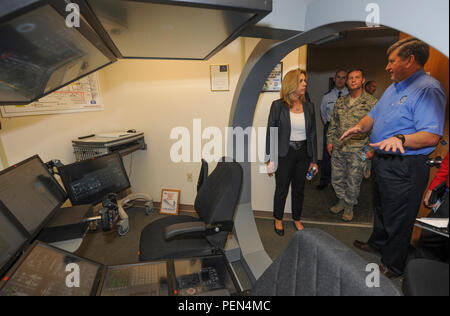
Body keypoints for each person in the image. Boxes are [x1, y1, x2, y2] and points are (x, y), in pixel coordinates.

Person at [340, 37, 446, 278]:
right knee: (381, 209)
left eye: (391, 61)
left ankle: (393, 264)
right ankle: (377, 244)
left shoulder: (428, 88)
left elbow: (431, 136)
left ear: (410, 60)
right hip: (383, 161)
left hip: (405, 165)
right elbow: (372, 116)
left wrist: (400, 139)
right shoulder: (393, 87)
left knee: (399, 217)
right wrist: (359, 126)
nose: (387, 67)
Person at [265, 69, 319, 235]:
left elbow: (312, 134)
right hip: (284, 153)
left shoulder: (309, 106)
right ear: (292, 83)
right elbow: (271, 131)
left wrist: (314, 159)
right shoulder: (278, 106)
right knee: (281, 189)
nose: (305, 84)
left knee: (299, 189)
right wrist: (269, 158)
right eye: (301, 81)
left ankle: (296, 218)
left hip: (304, 153)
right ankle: (278, 219)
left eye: (305, 80)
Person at [327, 69, 377, 222]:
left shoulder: (372, 103)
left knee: (353, 180)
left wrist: (371, 149)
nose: (353, 80)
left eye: (357, 77)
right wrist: (330, 141)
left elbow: (378, 127)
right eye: (350, 78)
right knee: (336, 178)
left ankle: (349, 206)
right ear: (347, 82)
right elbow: (333, 123)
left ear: (363, 80)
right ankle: (341, 200)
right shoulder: (341, 101)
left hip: (359, 148)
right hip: (340, 146)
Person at [414, 151, 449, 262]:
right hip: (447, 199)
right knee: (430, 237)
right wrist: (433, 189)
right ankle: (420, 275)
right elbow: (446, 166)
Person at [317, 70, 349, 190]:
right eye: (338, 77)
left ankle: (343, 182)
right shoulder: (327, 96)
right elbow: (323, 113)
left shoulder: (350, 95)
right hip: (330, 127)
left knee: (344, 155)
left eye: (343, 77)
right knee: (327, 155)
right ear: (334, 79)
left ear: (346, 80)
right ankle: (324, 180)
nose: (340, 80)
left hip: (346, 128)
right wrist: (329, 126)